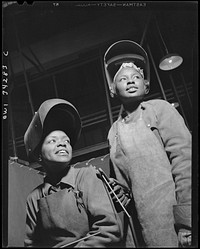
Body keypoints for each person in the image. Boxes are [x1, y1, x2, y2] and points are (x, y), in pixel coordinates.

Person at [103, 40, 192, 247]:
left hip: (176, 220)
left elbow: (185, 160)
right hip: (146, 226)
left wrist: (187, 220)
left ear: (146, 84)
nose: (131, 81)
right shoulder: (113, 132)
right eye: (123, 79)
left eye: (136, 77)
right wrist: (118, 192)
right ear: (113, 89)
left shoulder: (160, 109)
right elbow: (125, 185)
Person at [23, 98, 123, 248]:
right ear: (39, 155)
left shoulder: (88, 176)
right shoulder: (34, 198)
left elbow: (109, 230)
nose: (62, 143)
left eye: (66, 141)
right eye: (52, 141)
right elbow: (31, 243)